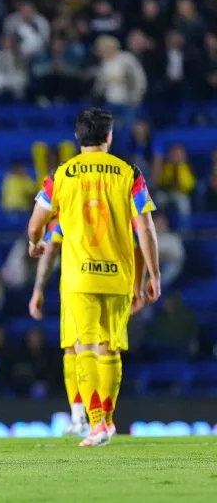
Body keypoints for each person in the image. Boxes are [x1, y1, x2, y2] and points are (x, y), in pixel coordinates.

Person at [27, 108, 160, 447]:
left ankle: (96, 424)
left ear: (78, 137)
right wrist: (153, 276)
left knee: (83, 347)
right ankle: (109, 422)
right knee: (110, 349)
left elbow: (35, 224)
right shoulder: (129, 173)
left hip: (79, 278)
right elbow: (144, 228)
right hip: (118, 275)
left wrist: (33, 242)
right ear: (109, 136)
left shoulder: (62, 174)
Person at [29, 215, 147, 437]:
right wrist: (137, 284)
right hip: (110, 283)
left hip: (80, 286)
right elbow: (139, 241)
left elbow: (49, 243)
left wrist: (38, 287)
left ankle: (93, 420)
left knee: (87, 347)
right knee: (91, 348)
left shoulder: (70, 204)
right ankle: (90, 420)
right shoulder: (115, 200)